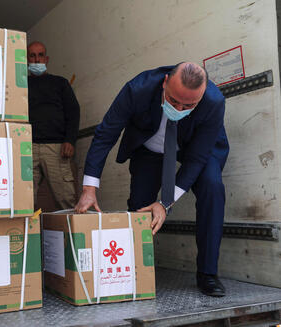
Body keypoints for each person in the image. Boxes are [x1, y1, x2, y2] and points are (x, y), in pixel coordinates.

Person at [75, 62, 229, 297]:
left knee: (212, 187)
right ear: (165, 82)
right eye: (173, 100)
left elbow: (198, 158)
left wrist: (166, 202)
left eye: (189, 105)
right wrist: (89, 187)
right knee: (140, 204)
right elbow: (106, 134)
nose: (179, 108)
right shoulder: (138, 88)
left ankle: (207, 273)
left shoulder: (214, 102)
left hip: (194, 147)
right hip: (150, 147)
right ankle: (135, 268)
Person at [28, 41, 80, 210]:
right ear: (26, 59)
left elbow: (73, 112)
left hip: (56, 148)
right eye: (32, 56)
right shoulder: (20, 86)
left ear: (47, 59)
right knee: (24, 200)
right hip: (27, 148)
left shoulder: (60, 83)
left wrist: (70, 140)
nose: (36, 60)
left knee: (66, 198)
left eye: (40, 55)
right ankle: (29, 236)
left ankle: (73, 234)